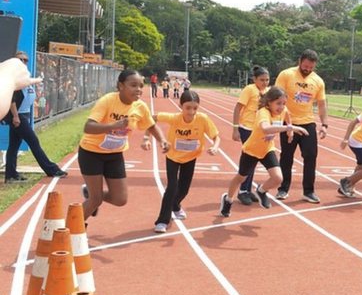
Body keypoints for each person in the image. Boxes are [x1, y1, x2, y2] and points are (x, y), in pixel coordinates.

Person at [79, 70, 169, 221]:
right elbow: (88, 127)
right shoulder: (108, 100)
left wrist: (162, 140)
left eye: (141, 85)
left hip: (114, 154)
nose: (138, 89)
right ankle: (71, 230)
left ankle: (91, 193)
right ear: (121, 86)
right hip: (91, 153)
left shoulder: (140, 107)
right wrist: (113, 126)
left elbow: (151, 125)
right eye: (133, 85)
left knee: (120, 199)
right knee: (96, 200)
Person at [220, 87, 308, 217]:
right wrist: (290, 128)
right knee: (241, 177)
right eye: (278, 103)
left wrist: (289, 131)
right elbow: (266, 128)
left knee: (278, 178)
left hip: (267, 149)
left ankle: (261, 191)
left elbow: (287, 116)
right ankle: (228, 199)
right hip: (251, 150)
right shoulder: (263, 112)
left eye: (284, 103)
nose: (281, 106)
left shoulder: (283, 110)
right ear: (268, 102)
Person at [152, 90, 220, 233]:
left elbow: (216, 136)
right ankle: (162, 221)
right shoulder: (175, 118)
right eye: (187, 108)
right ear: (180, 106)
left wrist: (215, 146)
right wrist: (147, 137)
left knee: (184, 189)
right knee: (172, 187)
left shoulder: (202, 119)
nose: (191, 111)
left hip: (190, 157)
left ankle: (176, 206)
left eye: (195, 108)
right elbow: (152, 118)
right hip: (173, 157)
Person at [3, 52, 67, 183]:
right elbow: (11, 100)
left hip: (24, 115)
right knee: (33, 142)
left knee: (14, 146)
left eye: (26, 60)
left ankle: (11, 174)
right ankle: (51, 169)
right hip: (18, 116)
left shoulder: (25, 77)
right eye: (21, 60)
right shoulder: (14, 79)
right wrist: (15, 116)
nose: (24, 62)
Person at [275, 50, 328, 204]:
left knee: (311, 156)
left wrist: (324, 124)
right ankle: (283, 188)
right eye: (305, 66)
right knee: (286, 156)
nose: (307, 69)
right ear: (300, 61)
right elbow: (276, 97)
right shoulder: (286, 75)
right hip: (288, 121)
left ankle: (309, 191)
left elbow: (322, 104)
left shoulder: (318, 81)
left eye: (311, 67)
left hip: (307, 123)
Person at [231, 66, 270, 205]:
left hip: (259, 130)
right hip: (247, 128)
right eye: (261, 80)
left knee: (254, 160)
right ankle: (242, 191)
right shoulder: (249, 89)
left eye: (267, 80)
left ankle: (247, 189)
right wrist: (235, 129)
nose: (265, 82)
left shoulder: (267, 92)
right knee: (249, 159)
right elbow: (238, 108)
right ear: (254, 79)